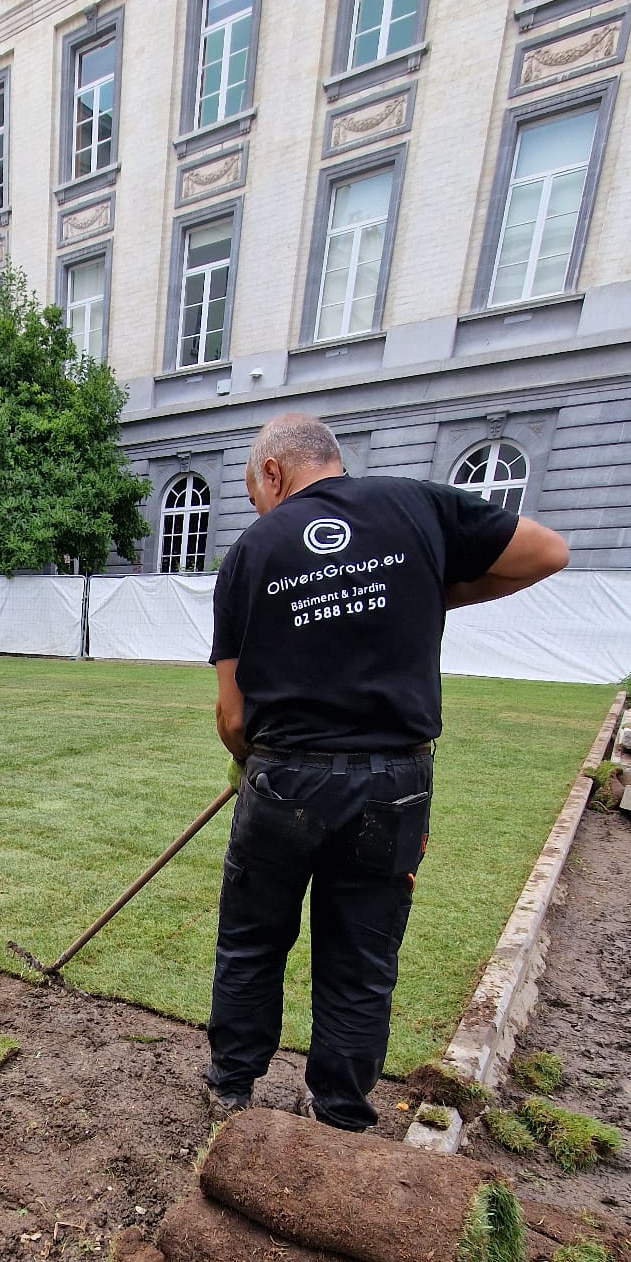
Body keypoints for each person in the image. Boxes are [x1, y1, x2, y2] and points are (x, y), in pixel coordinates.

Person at [206, 412, 569, 1131]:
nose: (261, 510)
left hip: (282, 782)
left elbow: (231, 714)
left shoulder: (252, 552)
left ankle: (231, 1088)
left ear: (272, 473)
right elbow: (547, 551)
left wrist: (245, 766)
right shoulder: (420, 504)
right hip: (394, 784)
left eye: (256, 495)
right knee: (361, 956)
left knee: (252, 942)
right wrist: (436, 587)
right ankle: (339, 1111)